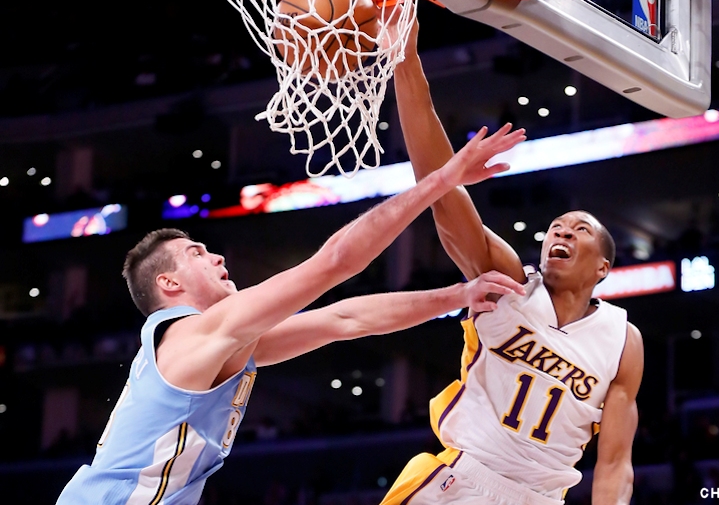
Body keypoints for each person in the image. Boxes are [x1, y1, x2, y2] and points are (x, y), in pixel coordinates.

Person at [55, 124, 528, 505]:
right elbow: (336, 263)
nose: (218, 258)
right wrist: (444, 179)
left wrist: (458, 295)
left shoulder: (223, 344)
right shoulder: (198, 335)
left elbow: (344, 320)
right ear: (169, 284)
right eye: (197, 253)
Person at [380, 20, 644, 505]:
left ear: (602, 268)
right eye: (557, 227)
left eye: (580, 229)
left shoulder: (623, 339)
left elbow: (614, 462)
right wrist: (406, 59)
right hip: (459, 481)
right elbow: (442, 193)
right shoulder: (505, 281)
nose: (562, 232)